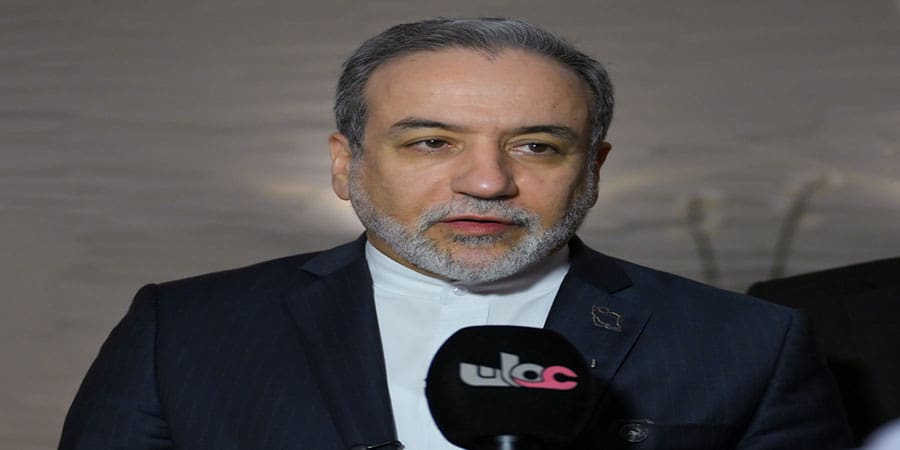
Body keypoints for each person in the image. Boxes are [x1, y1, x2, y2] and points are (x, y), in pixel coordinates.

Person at [59, 18, 852, 449]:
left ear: (593, 168)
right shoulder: (184, 331)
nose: (487, 181)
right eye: (432, 141)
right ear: (346, 164)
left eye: (536, 146)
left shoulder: (750, 342)